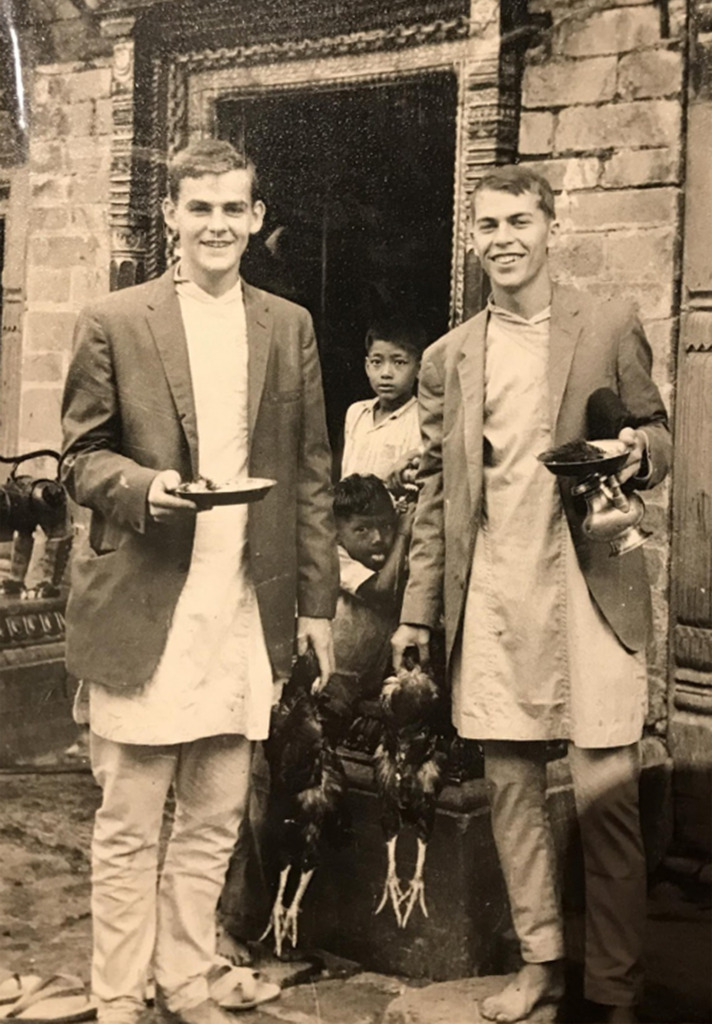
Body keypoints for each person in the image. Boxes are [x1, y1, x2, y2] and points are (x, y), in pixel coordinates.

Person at [60, 139, 338, 1024]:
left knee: (217, 813)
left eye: (233, 209)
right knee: (132, 819)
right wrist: (148, 489)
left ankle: (183, 979)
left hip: (242, 605)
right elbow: (80, 458)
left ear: (256, 220)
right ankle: (115, 996)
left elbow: (309, 476)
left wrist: (318, 610)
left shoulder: (287, 325)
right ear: (171, 216)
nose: (216, 225)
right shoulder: (115, 319)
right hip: (148, 597)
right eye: (200, 208)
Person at [391, 165, 671, 1024]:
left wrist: (636, 452)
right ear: (472, 239)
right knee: (512, 785)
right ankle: (540, 963)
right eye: (488, 226)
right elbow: (438, 499)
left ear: (553, 225)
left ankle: (615, 988)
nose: (504, 239)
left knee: (606, 790)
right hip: (500, 586)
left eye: (520, 221)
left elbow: (659, 430)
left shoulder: (608, 322)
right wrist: (417, 614)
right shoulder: (447, 358)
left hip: (589, 581)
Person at [332, 473, 414, 694]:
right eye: (362, 530)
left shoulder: (393, 554)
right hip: (336, 678)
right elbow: (382, 590)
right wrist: (402, 532)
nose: (377, 538)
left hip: (374, 673)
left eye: (386, 526)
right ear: (337, 534)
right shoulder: (335, 555)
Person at [340, 315, 425, 484]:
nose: (386, 373)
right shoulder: (356, 413)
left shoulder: (421, 419)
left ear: (419, 368)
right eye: (377, 362)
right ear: (367, 366)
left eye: (399, 362)